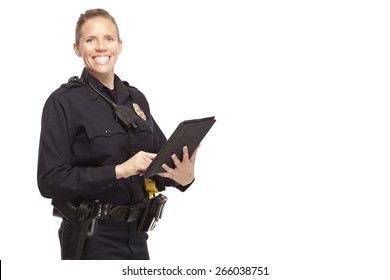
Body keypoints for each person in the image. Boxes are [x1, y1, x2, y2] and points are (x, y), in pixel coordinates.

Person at [37, 8, 198, 260]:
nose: (101, 47)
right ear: (77, 48)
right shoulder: (63, 102)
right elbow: (50, 180)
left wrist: (183, 178)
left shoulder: (136, 99)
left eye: (109, 39)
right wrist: (119, 171)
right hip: (92, 236)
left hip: (138, 235)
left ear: (119, 45)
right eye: (91, 40)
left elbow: (160, 163)